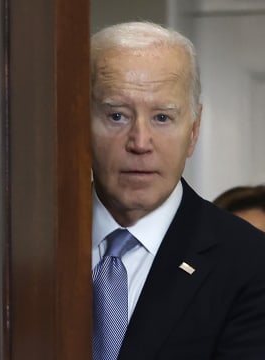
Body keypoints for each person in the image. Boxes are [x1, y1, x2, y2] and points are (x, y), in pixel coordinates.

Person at [90, 22, 265, 359]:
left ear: (194, 130)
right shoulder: (23, 248)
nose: (140, 143)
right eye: (116, 116)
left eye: (162, 118)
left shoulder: (250, 263)